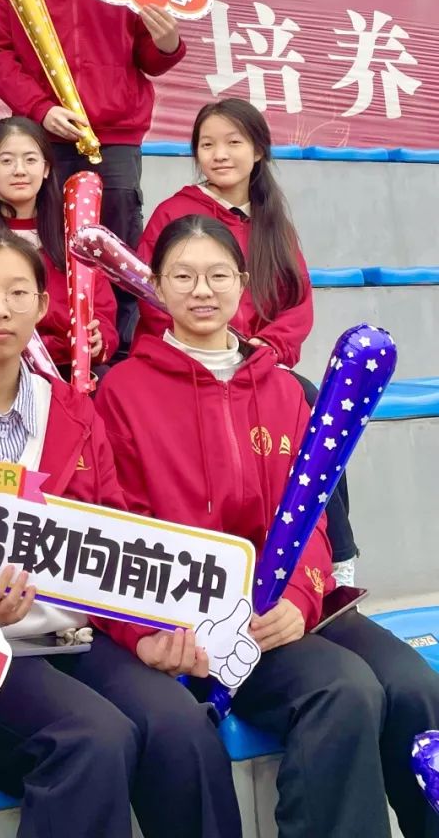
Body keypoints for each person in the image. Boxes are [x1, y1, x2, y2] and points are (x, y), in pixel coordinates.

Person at [0, 229, 242, 838]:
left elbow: (115, 546)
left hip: (74, 639)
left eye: (19, 293)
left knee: (182, 728)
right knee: (92, 739)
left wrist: (145, 636)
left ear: (43, 306)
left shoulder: (72, 413)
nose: (0, 309)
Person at [98, 214, 439, 838]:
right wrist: (158, 624)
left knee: (417, 687)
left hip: (288, 603)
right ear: (158, 286)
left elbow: (312, 514)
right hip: (209, 624)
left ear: (243, 282)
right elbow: (120, 524)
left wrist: (301, 597)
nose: (202, 290)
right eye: (183, 276)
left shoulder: (281, 389)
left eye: (217, 275)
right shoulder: (123, 390)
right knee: (342, 691)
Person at [135, 97, 358, 583]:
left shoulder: (273, 220)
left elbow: (297, 301)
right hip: (193, 358)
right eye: (207, 144)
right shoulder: (176, 213)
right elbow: (154, 296)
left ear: (258, 150)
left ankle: (336, 558)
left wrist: (271, 348)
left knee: (314, 405)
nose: (219, 154)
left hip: (259, 361)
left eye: (233, 142)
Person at [0, 0, 186, 355]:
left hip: (114, 138)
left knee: (117, 249)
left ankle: (120, 355)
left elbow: (148, 56)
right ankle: (44, 351)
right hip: (46, 139)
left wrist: (166, 42)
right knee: (49, 247)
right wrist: (40, 109)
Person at [0, 116, 119, 377]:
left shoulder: (74, 234)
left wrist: (99, 340)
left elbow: (102, 310)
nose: (19, 170)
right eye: (6, 161)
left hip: (68, 370)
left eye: (30, 160)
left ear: (46, 168)